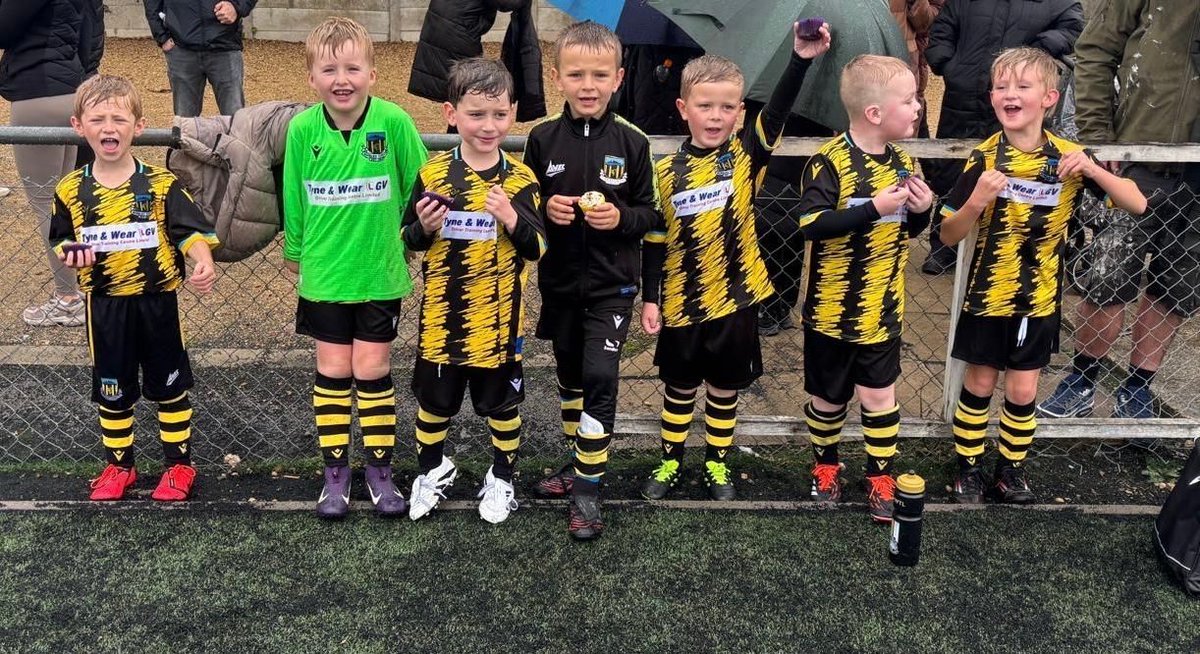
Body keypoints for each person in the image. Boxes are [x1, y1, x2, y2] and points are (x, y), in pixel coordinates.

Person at [939, 47, 1146, 504]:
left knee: (1024, 386)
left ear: (1049, 97)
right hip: (987, 295)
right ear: (991, 96)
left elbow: (1136, 203)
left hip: (1039, 297)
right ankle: (967, 469)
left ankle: (1010, 471)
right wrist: (976, 202)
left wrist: (1092, 168)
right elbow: (948, 234)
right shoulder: (984, 157)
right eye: (1001, 86)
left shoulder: (1070, 157)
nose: (1009, 94)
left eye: (1022, 86)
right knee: (979, 383)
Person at [638, 23, 831, 502]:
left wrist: (800, 59)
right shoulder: (664, 172)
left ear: (739, 112)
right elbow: (655, 241)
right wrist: (650, 296)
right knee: (680, 388)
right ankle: (668, 463)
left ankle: (718, 465)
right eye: (705, 105)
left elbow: (780, 109)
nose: (716, 116)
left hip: (738, 298)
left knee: (724, 390)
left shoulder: (746, 154)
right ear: (684, 109)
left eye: (728, 107)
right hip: (682, 302)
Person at [282, 17, 428, 520]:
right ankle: (335, 475)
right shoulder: (302, 129)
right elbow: (294, 198)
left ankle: (381, 473)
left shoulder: (393, 122)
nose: (341, 78)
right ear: (312, 77)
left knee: (372, 370)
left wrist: (414, 236)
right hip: (325, 274)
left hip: (378, 272)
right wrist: (296, 255)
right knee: (333, 371)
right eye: (329, 69)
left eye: (352, 67)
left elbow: (421, 184)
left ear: (372, 72)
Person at [49, 74, 219, 501]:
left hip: (157, 302)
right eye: (99, 119)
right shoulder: (70, 189)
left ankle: (179, 466)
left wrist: (203, 259)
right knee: (113, 388)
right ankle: (119, 466)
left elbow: (189, 233)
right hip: (105, 307)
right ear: (79, 126)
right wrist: (70, 251)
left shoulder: (160, 185)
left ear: (138, 127)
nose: (109, 128)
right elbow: (60, 238)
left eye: (119, 119)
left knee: (169, 387)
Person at [522, 21, 659, 540]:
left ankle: (587, 492)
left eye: (599, 74)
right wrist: (543, 208)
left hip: (612, 288)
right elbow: (524, 207)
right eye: (576, 74)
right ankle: (578, 464)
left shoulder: (633, 142)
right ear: (557, 78)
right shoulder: (541, 139)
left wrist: (620, 218)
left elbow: (651, 217)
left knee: (600, 376)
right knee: (571, 379)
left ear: (618, 78)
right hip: (559, 285)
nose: (588, 85)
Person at [1038, 1, 1200, 421]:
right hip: (1139, 155)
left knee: (1177, 287)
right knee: (1109, 277)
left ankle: (1137, 388)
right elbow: (1094, 49)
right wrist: (1098, 135)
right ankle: (1082, 379)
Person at [401, 58, 545, 525]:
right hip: (442, 319)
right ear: (451, 113)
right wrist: (422, 227)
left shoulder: (521, 181)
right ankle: (432, 469)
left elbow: (539, 246)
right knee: (433, 404)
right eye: (477, 114)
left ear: (513, 113)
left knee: (501, 407)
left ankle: (502, 477)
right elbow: (409, 239)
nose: (489, 126)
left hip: (499, 324)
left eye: (499, 115)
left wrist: (511, 219)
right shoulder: (433, 175)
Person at [794, 55, 933, 523]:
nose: (918, 107)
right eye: (910, 100)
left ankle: (881, 477)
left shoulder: (905, 161)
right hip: (831, 313)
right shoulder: (828, 161)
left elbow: (909, 231)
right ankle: (826, 467)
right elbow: (811, 225)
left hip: (882, 309)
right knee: (829, 399)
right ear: (874, 113)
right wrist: (871, 207)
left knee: (879, 397)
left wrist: (922, 209)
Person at [920, 0, 1083, 275]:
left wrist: (1035, 52)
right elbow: (943, 28)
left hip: (1015, 103)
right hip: (964, 95)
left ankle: (998, 249)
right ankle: (943, 247)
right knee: (954, 171)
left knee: (1010, 171)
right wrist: (948, 65)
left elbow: (1073, 27)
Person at [1, 0, 98, 327]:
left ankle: (68, 299)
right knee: (62, 200)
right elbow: (89, 39)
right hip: (69, 92)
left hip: (36, 94)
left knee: (46, 204)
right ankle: (76, 288)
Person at [408, 0, 546, 125]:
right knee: (467, 89)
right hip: (458, 32)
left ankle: (456, 137)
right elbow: (506, 3)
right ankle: (460, 139)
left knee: (460, 88)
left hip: (441, 26)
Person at [142, 0, 257, 117]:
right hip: (182, 49)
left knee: (235, 120)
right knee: (186, 123)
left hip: (225, 45)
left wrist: (236, 6)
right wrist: (161, 36)